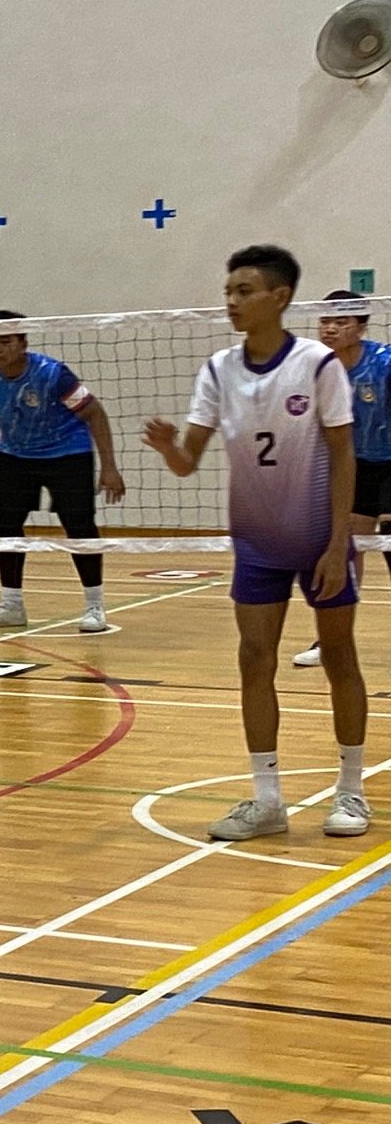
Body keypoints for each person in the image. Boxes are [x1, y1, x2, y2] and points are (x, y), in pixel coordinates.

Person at [142, 246, 369, 840]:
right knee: (253, 660)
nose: (232, 301)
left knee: (339, 658)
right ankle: (267, 801)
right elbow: (189, 461)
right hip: (257, 544)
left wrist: (338, 543)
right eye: (229, 290)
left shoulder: (319, 364)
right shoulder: (218, 369)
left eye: (245, 291)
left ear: (280, 298)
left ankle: (351, 792)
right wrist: (169, 446)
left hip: (320, 536)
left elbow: (345, 456)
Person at [0, 310, 126, 632]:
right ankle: (11, 604)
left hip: (67, 451)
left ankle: (94, 606)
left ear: (23, 343)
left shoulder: (53, 374)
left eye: (4, 341)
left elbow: (94, 412)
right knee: (6, 525)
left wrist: (109, 467)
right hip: (15, 454)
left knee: (78, 526)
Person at [291, 289, 391, 668]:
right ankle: (331, 638)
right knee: (347, 545)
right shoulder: (317, 367)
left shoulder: (385, 363)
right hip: (352, 466)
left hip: (390, 462)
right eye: (326, 321)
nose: (331, 329)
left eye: (341, 322)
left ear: (361, 326)